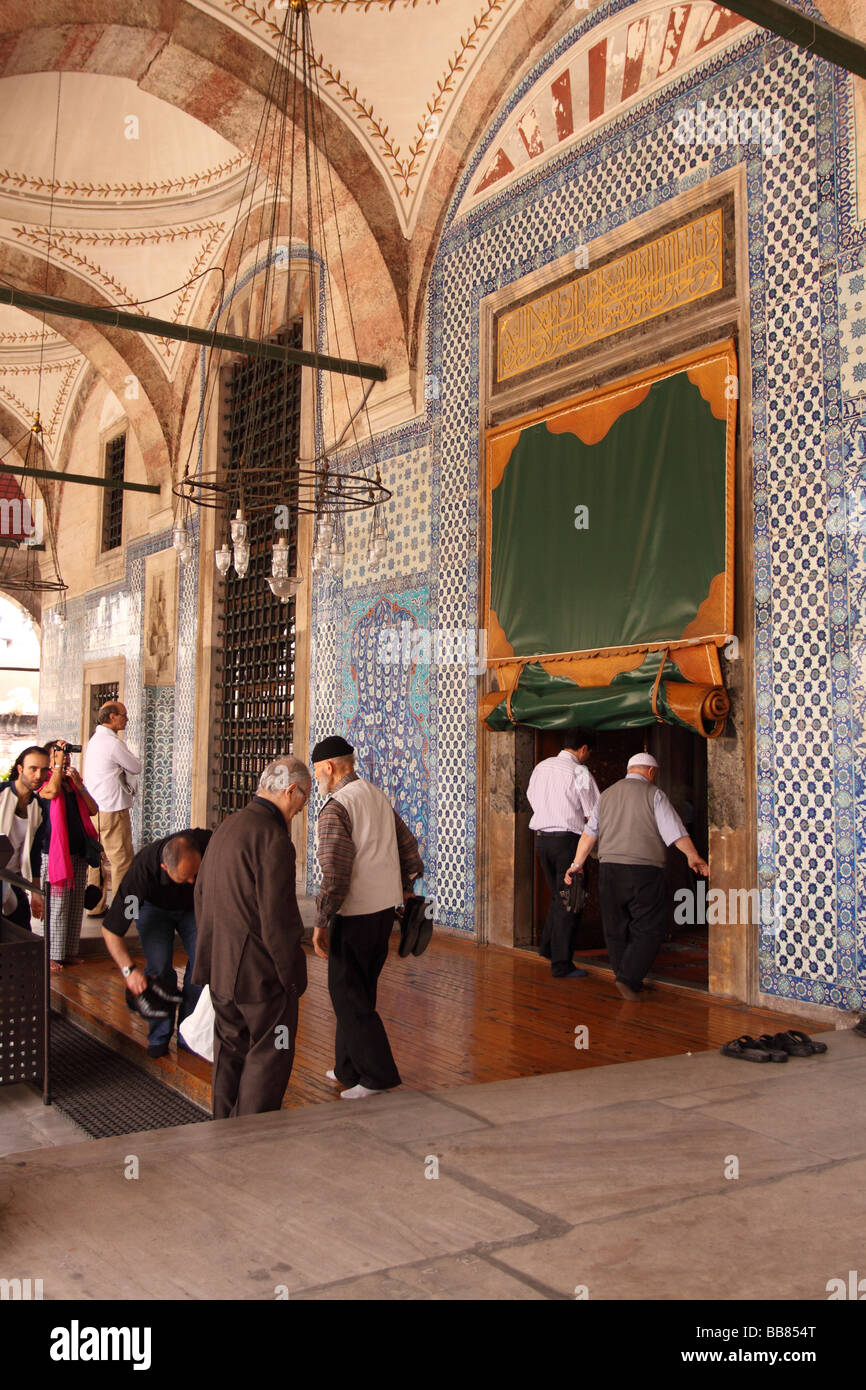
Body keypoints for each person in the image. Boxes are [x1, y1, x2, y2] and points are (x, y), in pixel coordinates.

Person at [192, 755, 310, 1119]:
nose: (300, 811)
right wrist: (291, 976)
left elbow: (200, 896)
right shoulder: (273, 839)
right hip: (259, 977)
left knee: (230, 1052)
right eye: (302, 802)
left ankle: (223, 1131)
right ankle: (250, 1142)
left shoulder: (227, 827)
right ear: (291, 791)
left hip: (221, 969)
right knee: (268, 1056)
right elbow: (278, 919)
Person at [312, 735, 423, 1100]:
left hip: (355, 912)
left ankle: (378, 1076)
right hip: (383, 912)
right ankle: (348, 1067)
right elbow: (408, 843)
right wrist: (407, 884)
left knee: (347, 994)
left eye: (317, 773)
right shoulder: (375, 794)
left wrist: (322, 919)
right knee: (359, 990)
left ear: (329, 767)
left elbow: (336, 872)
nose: (317, 780)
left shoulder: (336, 807)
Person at [565, 752, 709, 1000]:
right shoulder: (654, 794)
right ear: (651, 772)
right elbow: (674, 831)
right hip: (643, 870)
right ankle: (628, 978)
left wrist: (576, 864)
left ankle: (625, 977)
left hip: (609, 870)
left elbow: (589, 834)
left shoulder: (606, 796)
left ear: (629, 769)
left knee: (615, 926)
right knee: (651, 926)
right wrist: (693, 856)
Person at [101, 828, 212, 1058]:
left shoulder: (206, 841)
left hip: (193, 907)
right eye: (185, 877)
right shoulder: (141, 874)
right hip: (154, 908)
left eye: (195, 873)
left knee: (203, 964)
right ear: (164, 867)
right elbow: (112, 930)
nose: (191, 880)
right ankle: (159, 1037)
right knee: (159, 966)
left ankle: (188, 1035)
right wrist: (129, 971)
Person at [526, 728, 599, 979]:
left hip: (543, 840)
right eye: (588, 752)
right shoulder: (579, 772)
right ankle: (561, 965)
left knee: (561, 897)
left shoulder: (542, 767)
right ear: (583, 749)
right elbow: (593, 814)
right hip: (568, 842)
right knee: (572, 899)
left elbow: (531, 797)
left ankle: (548, 948)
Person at [37, 740, 101, 972]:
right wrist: (55, 768)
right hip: (55, 855)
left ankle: (67, 952)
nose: (66, 759)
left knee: (74, 905)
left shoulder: (73, 785)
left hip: (78, 852)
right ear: (49, 760)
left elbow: (93, 809)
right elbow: (52, 792)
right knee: (57, 905)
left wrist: (78, 785)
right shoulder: (43, 784)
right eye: (60, 755)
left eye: (67, 755)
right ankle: (50, 955)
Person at [83, 701, 142, 916]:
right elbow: (136, 766)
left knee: (96, 861)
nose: (126, 718)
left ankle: (95, 907)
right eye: (123, 715)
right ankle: (123, 911)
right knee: (123, 861)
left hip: (95, 810)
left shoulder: (95, 741)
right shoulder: (112, 743)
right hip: (113, 809)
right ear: (111, 717)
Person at [0, 745, 49, 929]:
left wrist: (35, 892)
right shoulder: (1, 794)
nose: (38, 775)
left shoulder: (39, 808)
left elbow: (34, 853)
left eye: (44, 770)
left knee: (22, 931)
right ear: (20, 769)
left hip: (13, 878)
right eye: (33, 768)